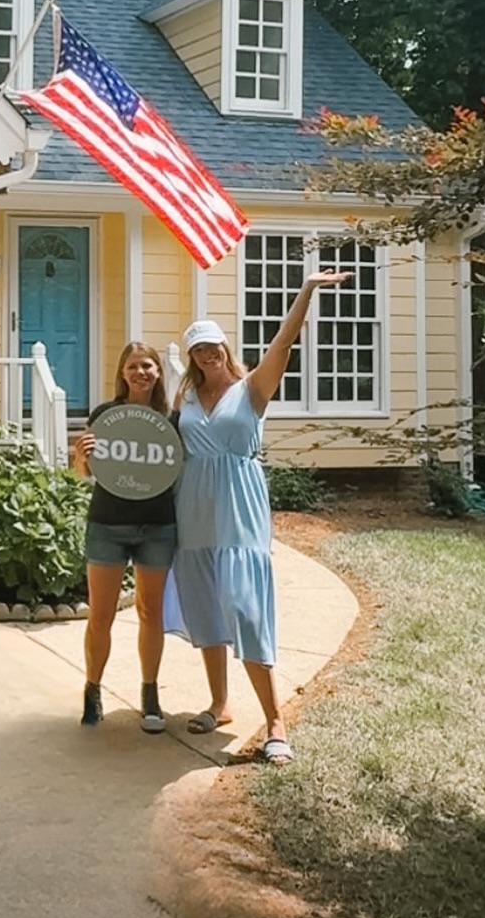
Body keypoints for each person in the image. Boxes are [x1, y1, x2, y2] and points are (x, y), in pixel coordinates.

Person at [165, 272, 349, 765]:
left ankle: (274, 722)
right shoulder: (182, 398)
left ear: (224, 347)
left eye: (214, 346)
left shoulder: (252, 389)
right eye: (199, 350)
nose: (209, 355)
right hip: (193, 508)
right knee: (205, 608)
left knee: (246, 610)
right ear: (191, 356)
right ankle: (219, 704)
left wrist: (306, 289)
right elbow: (161, 447)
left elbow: (284, 342)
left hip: (239, 507)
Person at [71, 342, 178, 734]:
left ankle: (150, 694)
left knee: (151, 613)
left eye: (148, 366)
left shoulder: (171, 421)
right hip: (107, 525)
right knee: (100, 615)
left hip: (157, 526)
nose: (141, 372)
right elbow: (86, 473)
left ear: (158, 373)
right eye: (133, 366)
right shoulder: (105, 416)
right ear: (123, 372)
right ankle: (92, 689)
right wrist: (80, 457)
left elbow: (180, 473)